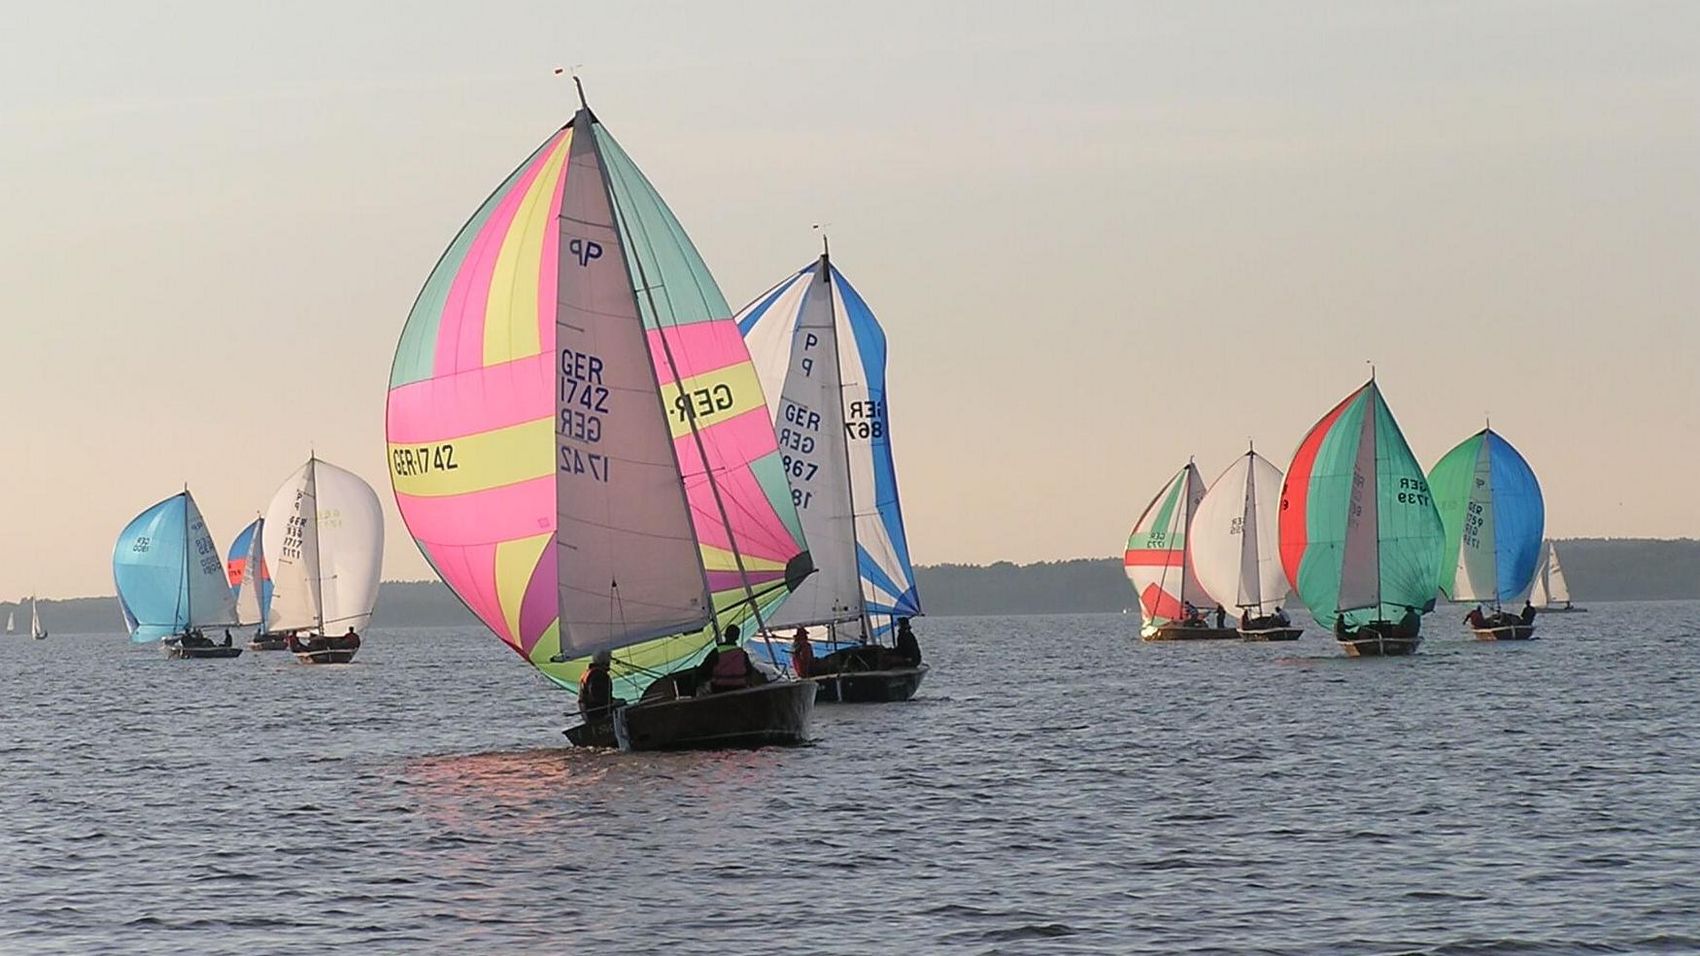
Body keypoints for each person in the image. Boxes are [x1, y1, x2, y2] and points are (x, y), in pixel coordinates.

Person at [699, 624, 761, 693]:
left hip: (719, 688)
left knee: (702, 689)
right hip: (740, 687)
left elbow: (703, 670)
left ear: (725, 635)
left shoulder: (716, 652)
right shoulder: (742, 653)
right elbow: (749, 671)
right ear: (737, 637)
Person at [578, 650, 617, 719]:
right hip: (598, 713)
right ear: (605, 660)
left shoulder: (588, 673)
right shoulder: (599, 675)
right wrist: (613, 702)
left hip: (588, 713)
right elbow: (599, 697)